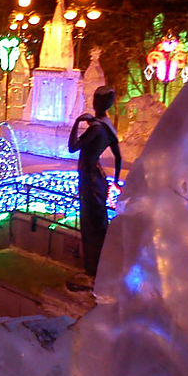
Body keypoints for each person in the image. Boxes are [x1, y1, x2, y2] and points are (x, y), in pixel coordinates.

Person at [68, 85, 122, 278]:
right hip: (97, 178)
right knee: (98, 222)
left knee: (91, 224)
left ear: (96, 103)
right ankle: (97, 266)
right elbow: (118, 157)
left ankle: (93, 268)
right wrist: (116, 181)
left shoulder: (96, 129)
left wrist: (77, 122)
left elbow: (72, 147)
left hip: (90, 179)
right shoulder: (107, 126)